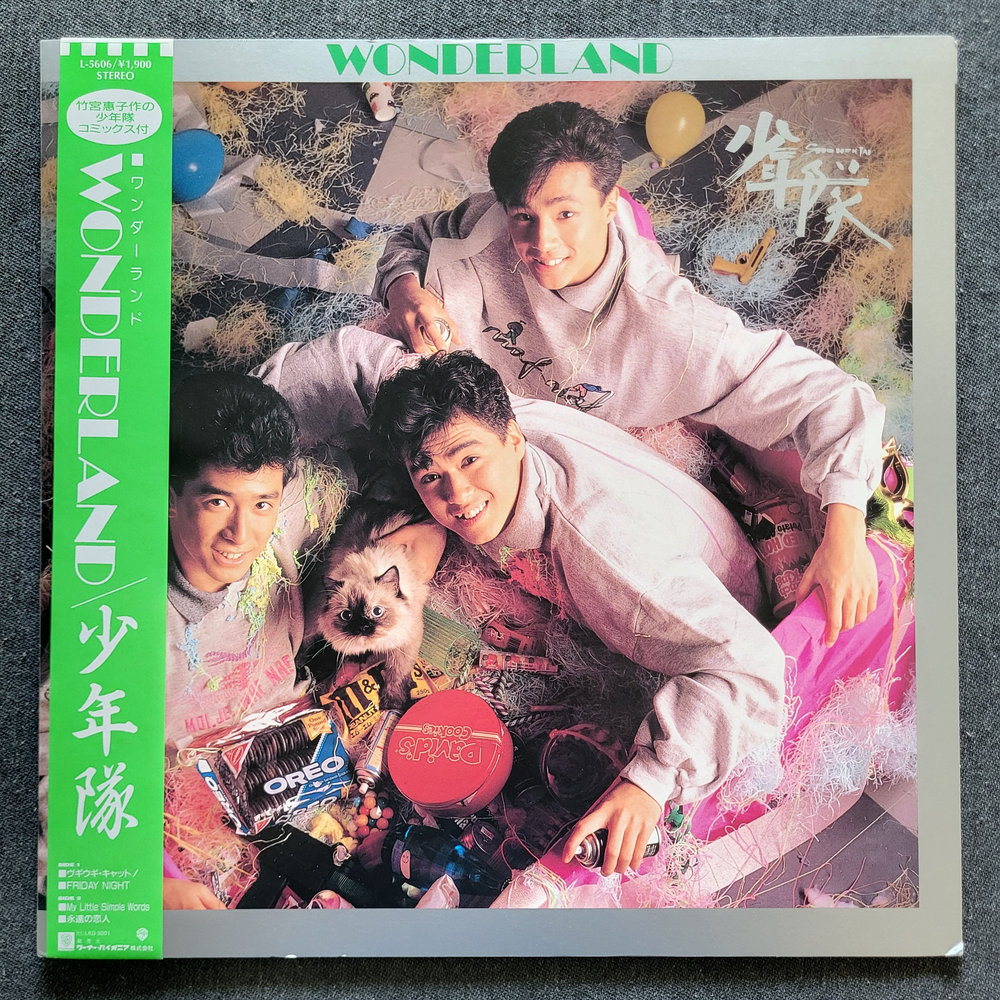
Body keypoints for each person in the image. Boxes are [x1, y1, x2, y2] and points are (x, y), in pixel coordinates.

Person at [373, 100, 885, 647]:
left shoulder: (675, 325)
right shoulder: (491, 223)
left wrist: (845, 534)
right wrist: (403, 290)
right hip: (477, 435)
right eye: (525, 217)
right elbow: (412, 241)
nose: (542, 244)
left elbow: (830, 396)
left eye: (566, 214)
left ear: (609, 203)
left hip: (580, 464)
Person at [367, 350, 786, 878]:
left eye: (469, 461)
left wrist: (651, 782)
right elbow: (357, 360)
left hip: (713, 618)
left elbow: (754, 665)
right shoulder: (478, 411)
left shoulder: (607, 558)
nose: (457, 495)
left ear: (513, 438)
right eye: (430, 477)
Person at [163, 372, 445, 908]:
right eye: (217, 502)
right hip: (197, 811)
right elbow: (43, 780)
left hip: (311, 756)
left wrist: (423, 537)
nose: (242, 534)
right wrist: (142, 888)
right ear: (171, 497)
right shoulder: (117, 625)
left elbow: (358, 381)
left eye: (261, 504)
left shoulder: (297, 506)